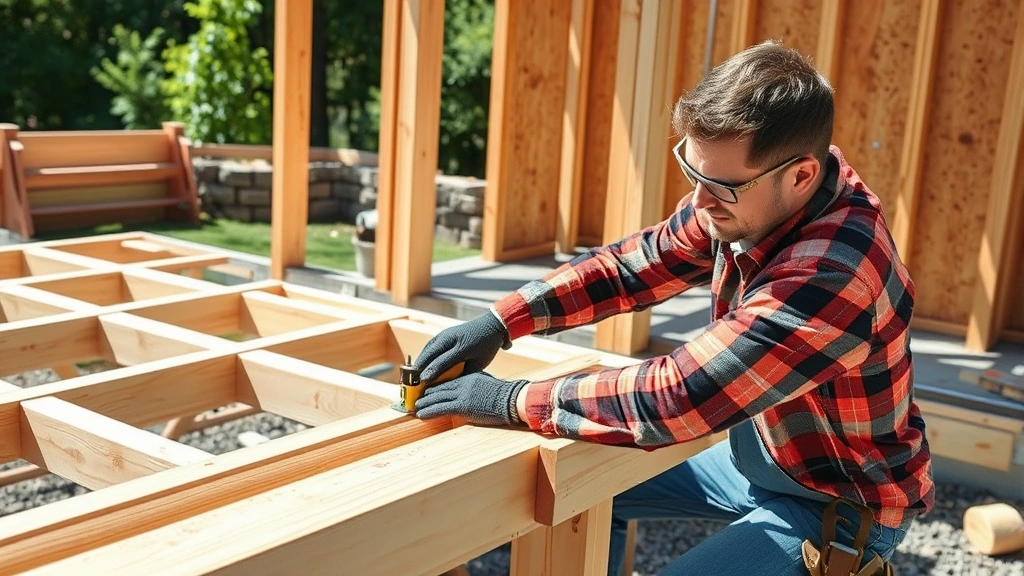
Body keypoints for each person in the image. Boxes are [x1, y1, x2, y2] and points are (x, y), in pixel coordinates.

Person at [413, 40, 934, 575]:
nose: (700, 202)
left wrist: (513, 400)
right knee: (585, 488)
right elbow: (634, 266)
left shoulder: (834, 274)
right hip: (762, 455)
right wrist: (504, 319)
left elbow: (680, 395)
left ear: (800, 175)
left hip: (837, 507)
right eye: (692, 172)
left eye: (719, 187)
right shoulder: (750, 198)